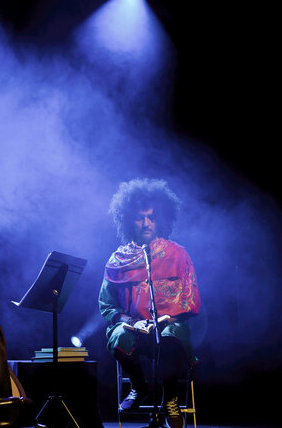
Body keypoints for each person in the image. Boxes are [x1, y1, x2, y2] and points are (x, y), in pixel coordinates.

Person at [99, 178, 200, 428]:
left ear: (162, 219)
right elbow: (107, 305)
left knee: (170, 336)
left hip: (169, 326)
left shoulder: (178, 254)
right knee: (119, 334)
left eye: (152, 217)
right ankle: (139, 387)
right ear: (128, 220)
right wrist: (131, 322)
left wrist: (167, 318)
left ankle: (170, 402)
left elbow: (190, 298)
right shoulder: (117, 259)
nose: (146, 223)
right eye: (140, 217)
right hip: (134, 329)